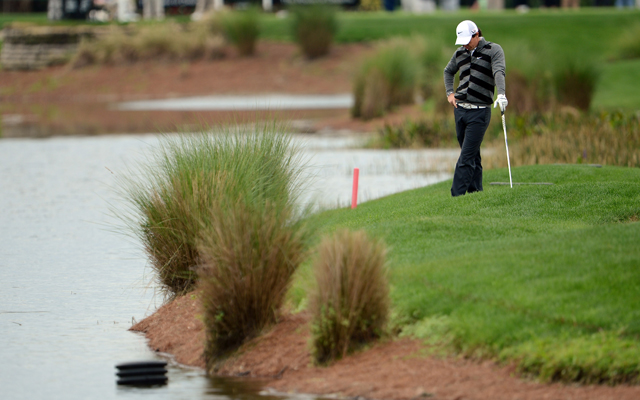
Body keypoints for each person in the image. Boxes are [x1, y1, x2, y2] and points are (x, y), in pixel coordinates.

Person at [443, 20, 508, 197]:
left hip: (479, 111)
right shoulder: (460, 53)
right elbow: (448, 71)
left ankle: (456, 196)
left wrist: (501, 94)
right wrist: (450, 93)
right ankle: (476, 192)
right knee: (472, 154)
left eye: (467, 40)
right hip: (460, 110)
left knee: (466, 157)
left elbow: (499, 72)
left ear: (476, 34)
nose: (465, 44)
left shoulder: (493, 50)